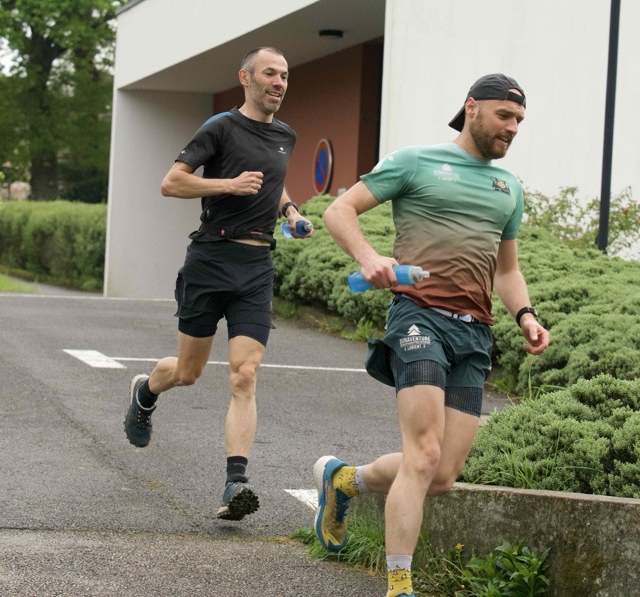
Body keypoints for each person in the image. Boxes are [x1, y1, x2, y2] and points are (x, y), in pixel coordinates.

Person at [312, 73, 550, 597]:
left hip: (475, 334)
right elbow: (339, 209)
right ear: (472, 108)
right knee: (422, 453)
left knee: (440, 475)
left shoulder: (508, 188)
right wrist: (369, 257)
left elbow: (506, 270)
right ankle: (400, 586)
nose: (512, 128)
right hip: (419, 318)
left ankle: (345, 480)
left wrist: (526, 315)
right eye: (504, 116)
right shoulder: (415, 162)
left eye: (519, 120)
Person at [123, 46, 312, 521]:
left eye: (285, 75)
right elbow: (171, 183)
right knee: (188, 372)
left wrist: (290, 211)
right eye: (270, 73)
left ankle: (235, 482)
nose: (279, 82)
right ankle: (146, 390)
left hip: (256, 265)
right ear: (246, 78)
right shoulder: (220, 128)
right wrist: (227, 184)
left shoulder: (285, 135)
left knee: (245, 374)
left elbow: (272, 182)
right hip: (210, 259)